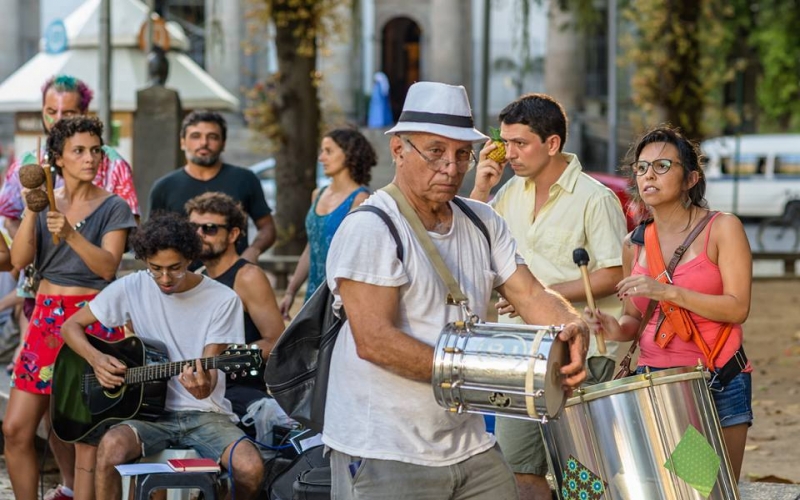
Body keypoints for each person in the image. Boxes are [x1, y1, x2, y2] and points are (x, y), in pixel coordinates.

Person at [322, 81, 589, 500]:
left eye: (462, 153)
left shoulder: (483, 220)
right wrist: (480, 372)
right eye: (435, 151)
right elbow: (374, 340)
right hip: (385, 447)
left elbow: (532, 296)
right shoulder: (370, 226)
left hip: (468, 445)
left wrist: (572, 327)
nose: (451, 166)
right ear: (399, 151)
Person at [470, 93, 628, 499]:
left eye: (520, 143)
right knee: (519, 472)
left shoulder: (596, 197)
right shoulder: (505, 195)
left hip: (580, 353)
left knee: (584, 476)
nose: (511, 154)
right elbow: (467, 248)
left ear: (553, 143)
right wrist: (482, 186)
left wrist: (538, 296)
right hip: (516, 353)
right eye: (505, 143)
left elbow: (614, 272)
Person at [0, 75, 140, 500]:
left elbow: (107, 267)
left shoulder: (112, 205)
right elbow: (21, 261)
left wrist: (73, 234)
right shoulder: (46, 199)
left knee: (83, 435)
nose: (91, 158)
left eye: (95, 150)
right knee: (16, 428)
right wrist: (33, 210)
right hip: (44, 319)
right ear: (57, 158)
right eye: (79, 151)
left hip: (90, 321)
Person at [585, 126, 752, 480]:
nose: (649, 175)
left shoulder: (722, 228)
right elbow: (634, 318)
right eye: (642, 167)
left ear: (691, 178)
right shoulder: (634, 243)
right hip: (657, 382)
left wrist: (666, 291)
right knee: (679, 488)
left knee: (712, 489)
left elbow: (738, 308)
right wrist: (615, 328)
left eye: (662, 166)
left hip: (718, 378)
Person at [59, 213, 265, 500]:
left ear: (191, 258)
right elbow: (70, 327)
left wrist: (202, 386)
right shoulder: (132, 286)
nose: (165, 278)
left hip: (205, 414)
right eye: (155, 269)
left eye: (175, 268)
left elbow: (209, 369)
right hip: (144, 414)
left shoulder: (222, 299)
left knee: (251, 468)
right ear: (144, 261)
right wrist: (96, 359)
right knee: (110, 449)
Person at [186, 191, 285, 424]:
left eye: (209, 228)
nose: (199, 235)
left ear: (233, 234)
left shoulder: (248, 276)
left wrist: (218, 360)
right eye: (193, 228)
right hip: (197, 391)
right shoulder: (197, 277)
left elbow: (276, 342)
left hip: (240, 394)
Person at [149, 110, 276, 262]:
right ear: (182, 142)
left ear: (223, 144)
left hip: (234, 276)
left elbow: (267, 227)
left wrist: (253, 251)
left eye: (212, 137)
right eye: (196, 136)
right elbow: (153, 238)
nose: (203, 143)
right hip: (182, 279)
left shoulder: (245, 179)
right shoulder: (164, 187)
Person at [278, 128, 376, 318]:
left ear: (349, 154)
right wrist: (290, 291)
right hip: (313, 295)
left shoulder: (361, 199)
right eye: (322, 151)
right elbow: (311, 247)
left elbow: (360, 258)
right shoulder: (318, 194)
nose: (321, 158)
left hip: (342, 300)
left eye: (328, 151)